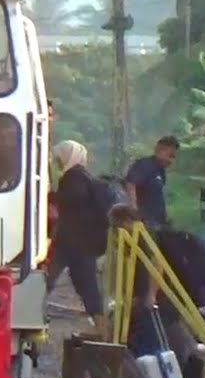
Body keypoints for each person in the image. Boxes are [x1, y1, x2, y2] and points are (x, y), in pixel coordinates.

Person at [46, 141, 110, 338]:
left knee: (45, 278)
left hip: (71, 240)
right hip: (83, 241)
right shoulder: (84, 176)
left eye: (59, 157)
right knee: (87, 286)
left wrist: (51, 196)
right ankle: (103, 330)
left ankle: (28, 314)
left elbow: (73, 199)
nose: (57, 161)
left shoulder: (74, 177)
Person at [123, 136, 178, 229]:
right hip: (145, 224)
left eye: (173, 157)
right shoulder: (145, 165)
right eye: (170, 156)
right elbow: (131, 183)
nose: (171, 161)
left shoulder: (160, 171)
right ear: (160, 150)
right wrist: (133, 212)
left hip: (158, 223)